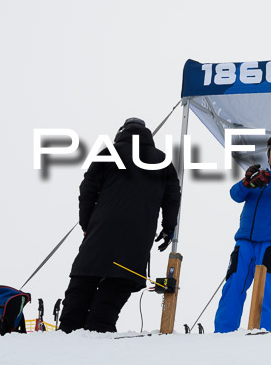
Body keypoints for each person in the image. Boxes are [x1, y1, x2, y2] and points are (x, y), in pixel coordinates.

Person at [59, 118, 181, 333]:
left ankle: (67, 332)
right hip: (137, 236)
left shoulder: (109, 152)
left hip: (101, 230)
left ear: (121, 133)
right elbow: (172, 197)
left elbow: (87, 190)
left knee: (84, 281)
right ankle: (99, 331)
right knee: (117, 284)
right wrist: (168, 227)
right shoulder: (161, 159)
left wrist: (87, 224)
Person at [214, 135, 271, 333]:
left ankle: (268, 330)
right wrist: (246, 182)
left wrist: (269, 177)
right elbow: (235, 195)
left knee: (267, 285)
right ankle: (223, 332)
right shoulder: (260, 178)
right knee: (233, 285)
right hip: (245, 241)